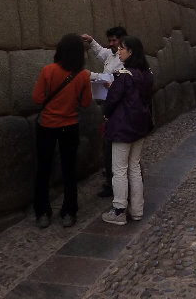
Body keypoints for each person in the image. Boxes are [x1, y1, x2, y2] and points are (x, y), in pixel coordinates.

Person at [32, 33, 92, 229]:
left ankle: (42, 213)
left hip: (47, 126)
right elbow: (85, 103)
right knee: (69, 170)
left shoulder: (48, 71)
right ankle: (69, 211)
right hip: (69, 126)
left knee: (43, 169)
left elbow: (38, 98)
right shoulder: (83, 75)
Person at [101, 35, 154, 225]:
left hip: (123, 127)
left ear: (131, 52)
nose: (119, 51)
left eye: (122, 48)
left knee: (119, 169)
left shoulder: (125, 76)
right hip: (140, 126)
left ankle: (119, 210)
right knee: (134, 168)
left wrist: (106, 113)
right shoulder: (147, 74)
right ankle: (137, 209)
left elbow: (112, 100)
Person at [81, 26, 127, 198]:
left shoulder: (124, 60)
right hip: (110, 106)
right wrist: (91, 41)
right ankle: (112, 179)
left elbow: (112, 79)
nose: (112, 44)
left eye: (114, 40)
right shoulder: (112, 54)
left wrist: (90, 75)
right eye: (110, 41)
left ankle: (116, 186)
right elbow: (102, 52)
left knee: (114, 147)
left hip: (119, 109)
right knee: (109, 145)